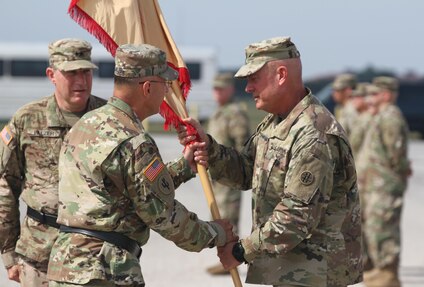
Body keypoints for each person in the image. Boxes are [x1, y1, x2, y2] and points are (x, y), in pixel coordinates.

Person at [47, 43, 236, 287]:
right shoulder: (133, 140)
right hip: (104, 270)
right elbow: (162, 215)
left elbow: (124, 189)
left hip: (66, 266)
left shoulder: (86, 124)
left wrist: (183, 167)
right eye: (165, 85)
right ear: (147, 88)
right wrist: (216, 234)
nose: (167, 92)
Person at [179, 36, 362, 287]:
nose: (248, 88)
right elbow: (246, 171)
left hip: (315, 274)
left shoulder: (313, 133)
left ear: (281, 75)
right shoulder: (276, 122)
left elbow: (296, 216)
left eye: (254, 79)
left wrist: (241, 251)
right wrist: (209, 149)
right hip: (291, 269)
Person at [0, 38, 106, 287]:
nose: (81, 81)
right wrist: (8, 254)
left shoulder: (107, 118)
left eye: (86, 72)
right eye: (71, 73)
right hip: (40, 256)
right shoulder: (27, 120)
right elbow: (6, 186)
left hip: (96, 255)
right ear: (52, 74)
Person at [358, 76, 410, 287]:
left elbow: (396, 156)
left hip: (384, 189)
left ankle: (386, 278)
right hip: (373, 188)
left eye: (374, 94)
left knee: (384, 233)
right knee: (372, 232)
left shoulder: (391, 117)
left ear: (386, 95)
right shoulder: (379, 116)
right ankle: (377, 276)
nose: (369, 99)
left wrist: (401, 172)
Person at [206, 72, 251, 275]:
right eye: (215, 89)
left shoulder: (234, 113)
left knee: (227, 220)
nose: (217, 93)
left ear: (230, 89)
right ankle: (224, 258)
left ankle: (231, 258)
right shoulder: (220, 112)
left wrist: (240, 169)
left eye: (221, 89)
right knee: (218, 216)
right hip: (217, 175)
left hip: (230, 175)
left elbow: (243, 144)